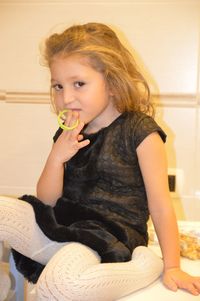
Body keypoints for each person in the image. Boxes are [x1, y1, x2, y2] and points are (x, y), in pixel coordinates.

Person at [0, 22, 200, 301]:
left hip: (110, 238)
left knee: (57, 286)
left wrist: (173, 265)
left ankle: (145, 265)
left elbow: (160, 205)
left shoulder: (139, 132)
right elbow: (47, 199)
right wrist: (57, 157)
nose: (66, 97)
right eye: (58, 86)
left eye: (78, 84)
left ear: (113, 83)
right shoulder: (67, 132)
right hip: (66, 225)